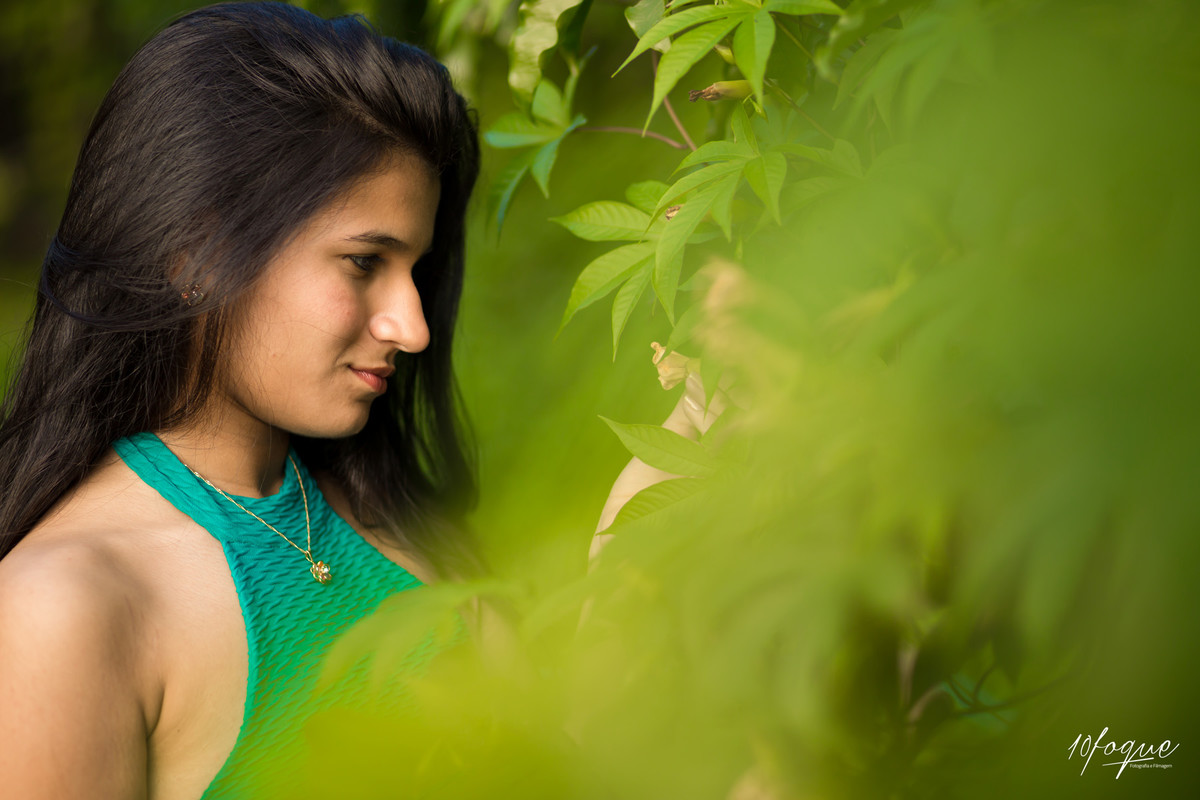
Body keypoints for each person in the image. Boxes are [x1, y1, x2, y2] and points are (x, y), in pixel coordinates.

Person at [0, 3, 482, 797]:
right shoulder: (68, 606)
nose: (414, 327)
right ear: (201, 255)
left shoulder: (393, 521)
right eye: (364, 262)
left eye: (416, 272)